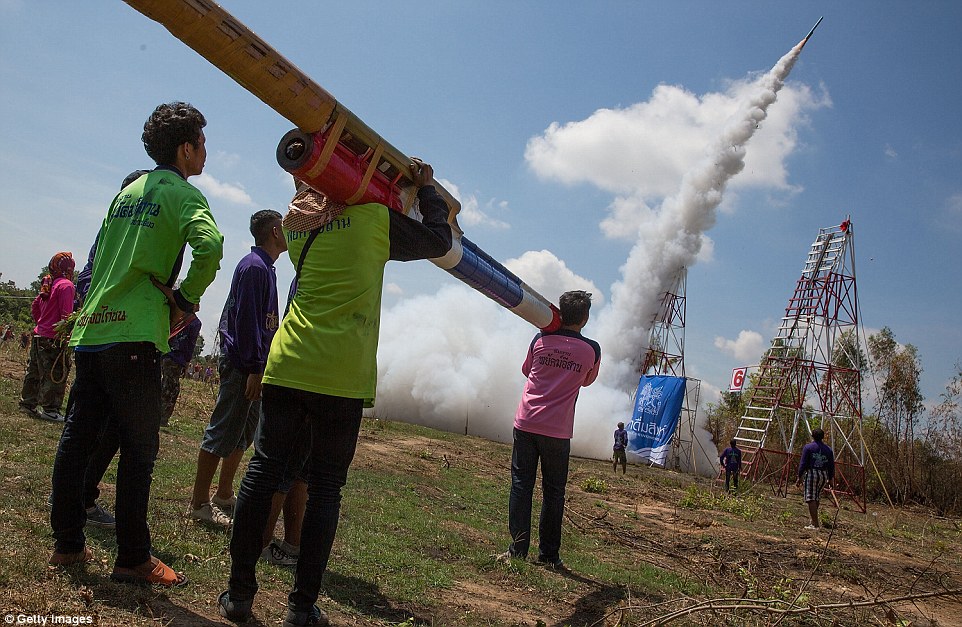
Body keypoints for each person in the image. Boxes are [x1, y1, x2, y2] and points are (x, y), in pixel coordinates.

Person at [217, 160, 452, 626]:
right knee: (326, 488)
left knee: (262, 474)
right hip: (341, 374)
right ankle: (302, 608)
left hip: (288, 364)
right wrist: (425, 190)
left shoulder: (297, 223)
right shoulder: (376, 221)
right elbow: (439, 241)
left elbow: (318, 198)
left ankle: (239, 595)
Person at [48, 102, 223, 588]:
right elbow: (210, 247)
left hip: (94, 330)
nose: (206, 153)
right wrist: (185, 301)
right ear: (186, 149)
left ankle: (67, 544)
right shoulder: (185, 194)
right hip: (137, 335)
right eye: (203, 144)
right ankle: (132, 558)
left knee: (76, 439)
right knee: (139, 450)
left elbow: (102, 255)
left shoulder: (126, 193)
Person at [188, 210, 287, 527]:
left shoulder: (266, 268)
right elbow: (246, 324)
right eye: (285, 227)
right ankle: (200, 502)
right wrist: (255, 368)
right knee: (222, 430)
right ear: (274, 231)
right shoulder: (254, 268)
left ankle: (224, 492)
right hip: (245, 365)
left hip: (255, 365)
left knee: (243, 432)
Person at [501, 290, 601, 570]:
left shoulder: (540, 339)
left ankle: (517, 549)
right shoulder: (592, 349)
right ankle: (548, 556)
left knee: (521, 485)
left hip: (527, 422)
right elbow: (587, 382)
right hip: (557, 431)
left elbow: (527, 370)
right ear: (585, 318)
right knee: (554, 492)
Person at [19, 252, 76, 422]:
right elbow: (66, 316)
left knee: (34, 371)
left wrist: (40, 324)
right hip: (53, 337)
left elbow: (35, 305)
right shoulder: (66, 286)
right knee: (55, 372)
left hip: (39, 334)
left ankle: (27, 404)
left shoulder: (48, 283)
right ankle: (51, 409)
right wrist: (66, 335)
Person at [161, 304, 202, 426]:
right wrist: (187, 362)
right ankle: (162, 417)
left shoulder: (177, 316)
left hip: (165, 354)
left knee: (165, 384)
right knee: (171, 388)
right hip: (177, 358)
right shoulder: (194, 322)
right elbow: (190, 344)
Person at [796, 427, 835, 530]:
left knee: (810, 498)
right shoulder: (828, 450)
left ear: (812, 436)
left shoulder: (808, 447)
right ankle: (813, 521)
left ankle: (815, 524)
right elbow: (831, 465)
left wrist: (799, 476)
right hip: (823, 474)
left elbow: (803, 463)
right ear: (823, 437)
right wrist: (830, 479)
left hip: (812, 473)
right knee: (816, 497)